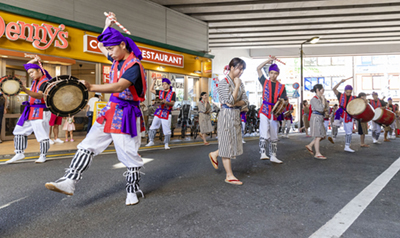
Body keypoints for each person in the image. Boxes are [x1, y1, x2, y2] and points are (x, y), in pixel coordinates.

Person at [45, 12, 147, 206]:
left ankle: (132, 190)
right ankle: (69, 181)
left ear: (122, 45)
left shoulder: (134, 65)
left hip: (126, 113)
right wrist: (107, 25)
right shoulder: (117, 59)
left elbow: (119, 87)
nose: (108, 52)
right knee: (87, 145)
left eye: (111, 49)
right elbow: (101, 44)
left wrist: (91, 87)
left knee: (128, 155)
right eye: (107, 49)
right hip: (110, 110)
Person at [208, 58, 248, 185]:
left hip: (236, 114)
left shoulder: (240, 82)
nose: (241, 72)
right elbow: (228, 102)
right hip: (226, 114)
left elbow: (246, 101)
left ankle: (214, 154)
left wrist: (235, 102)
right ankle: (229, 175)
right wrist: (236, 87)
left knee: (232, 142)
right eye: (239, 68)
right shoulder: (223, 83)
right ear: (231, 67)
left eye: (242, 69)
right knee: (227, 143)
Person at [6, 58, 52, 164]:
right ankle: (19, 153)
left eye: (32, 72)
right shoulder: (36, 80)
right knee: (19, 130)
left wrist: (25, 90)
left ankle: (43, 155)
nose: (30, 74)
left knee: (42, 134)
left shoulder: (45, 81)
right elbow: (28, 65)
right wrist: (34, 59)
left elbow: (40, 95)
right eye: (29, 73)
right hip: (31, 109)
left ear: (39, 70)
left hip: (41, 109)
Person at [256, 57, 287, 163]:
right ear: (269, 73)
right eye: (271, 73)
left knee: (274, 134)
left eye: (275, 73)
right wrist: (267, 61)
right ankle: (263, 153)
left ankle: (273, 156)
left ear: (278, 74)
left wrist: (283, 103)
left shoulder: (282, 86)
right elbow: (258, 69)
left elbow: (284, 99)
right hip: (264, 109)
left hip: (275, 111)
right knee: (264, 130)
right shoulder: (264, 81)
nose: (273, 75)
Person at [145, 77, 175, 149]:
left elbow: (172, 103)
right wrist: (154, 81)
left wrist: (166, 102)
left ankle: (166, 144)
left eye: (165, 84)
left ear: (168, 85)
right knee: (153, 126)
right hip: (159, 112)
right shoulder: (160, 92)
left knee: (166, 128)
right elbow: (151, 90)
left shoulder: (172, 93)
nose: (164, 85)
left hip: (166, 113)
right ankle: (151, 140)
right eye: (163, 84)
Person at [332, 77, 356, 153]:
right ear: (345, 91)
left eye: (350, 92)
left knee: (349, 132)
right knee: (335, 125)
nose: (349, 93)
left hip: (349, 114)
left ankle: (347, 146)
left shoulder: (354, 98)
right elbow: (334, 89)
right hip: (340, 112)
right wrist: (340, 82)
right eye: (347, 92)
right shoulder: (340, 95)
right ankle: (333, 137)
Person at [305, 84, 327, 159]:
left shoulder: (319, 98)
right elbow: (321, 108)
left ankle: (310, 145)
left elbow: (325, 108)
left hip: (319, 117)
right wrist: (324, 100)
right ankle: (317, 153)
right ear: (318, 90)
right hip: (316, 117)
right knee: (318, 136)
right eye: (322, 90)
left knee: (323, 136)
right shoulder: (314, 99)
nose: (323, 92)